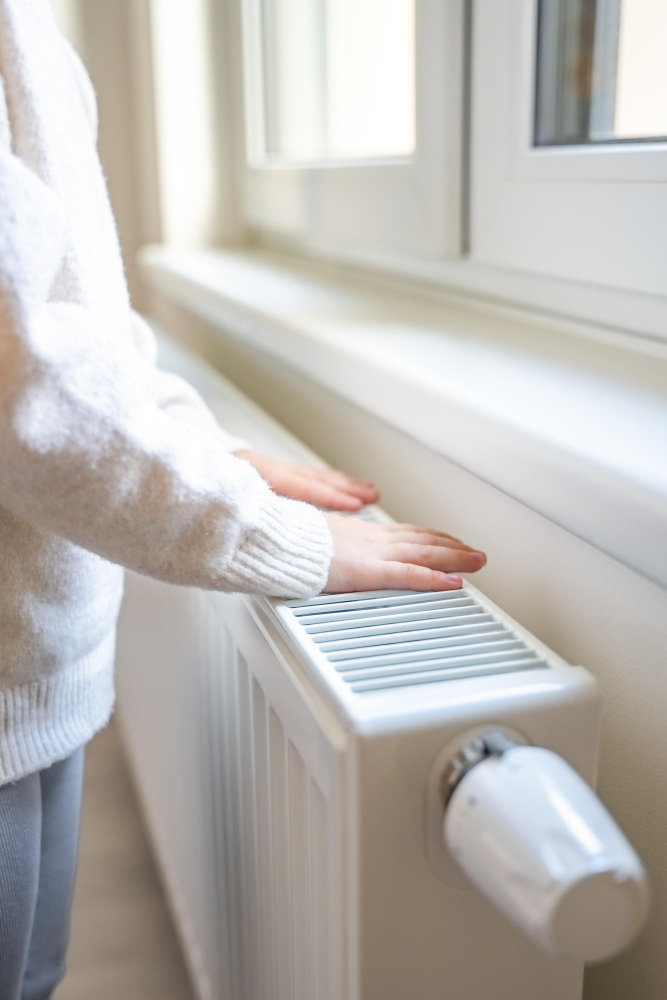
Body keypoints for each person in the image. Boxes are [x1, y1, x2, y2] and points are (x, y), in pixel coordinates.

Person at [0, 2, 486, 997]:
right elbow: (24, 389)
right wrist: (279, 541)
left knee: (37, 971)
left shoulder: (33, 39)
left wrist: (212, 448)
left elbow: (84, 327)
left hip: (43, 658)